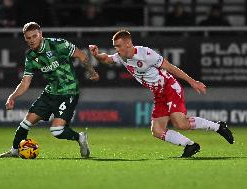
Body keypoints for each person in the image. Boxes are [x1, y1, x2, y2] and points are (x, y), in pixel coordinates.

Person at [89, 30, 234, 158]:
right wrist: (96, 55)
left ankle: (218, 127)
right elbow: (107, 58)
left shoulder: (146, 54)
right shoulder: (122, 56)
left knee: (180, 123)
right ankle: (190, 145)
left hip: (169, 87)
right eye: (115, 47)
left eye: (119, 46)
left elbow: (170, 67)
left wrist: (192, 82)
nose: (117, 49)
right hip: (159, 94)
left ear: (128, 43)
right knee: (157, 131)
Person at [0, 22, 99, 158]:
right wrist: (12, 97)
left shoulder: (58, 44)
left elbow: (81, 55)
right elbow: (25, 83)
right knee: (25, 123)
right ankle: (15, 151)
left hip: (68, 92)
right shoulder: (31, 57)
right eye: (28, 38)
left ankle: (80, 138)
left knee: (56, 130)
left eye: (34, 36)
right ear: (25, 38)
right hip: (50, 93)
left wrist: (92, 72)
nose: (32, 40)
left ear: (41, 35)